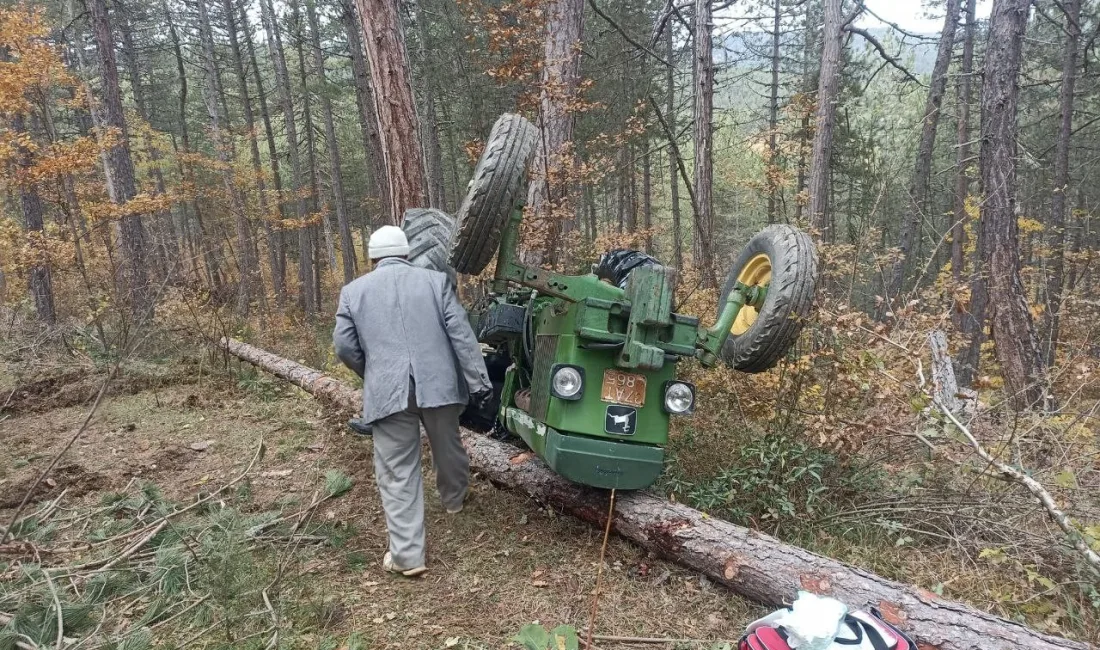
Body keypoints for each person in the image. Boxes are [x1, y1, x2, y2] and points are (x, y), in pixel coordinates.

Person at [333, 225, 491, 577]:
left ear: (373, 257)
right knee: (448, 445)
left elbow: (344, 346)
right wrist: (478, 381)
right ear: (406, 253)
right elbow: (462, 336)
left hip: (389, 392)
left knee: (397, 469)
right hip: (439, 385)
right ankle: (454, 500)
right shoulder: (436, 282)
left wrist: (372, 371)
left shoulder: (353, 292)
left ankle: (407, 557)